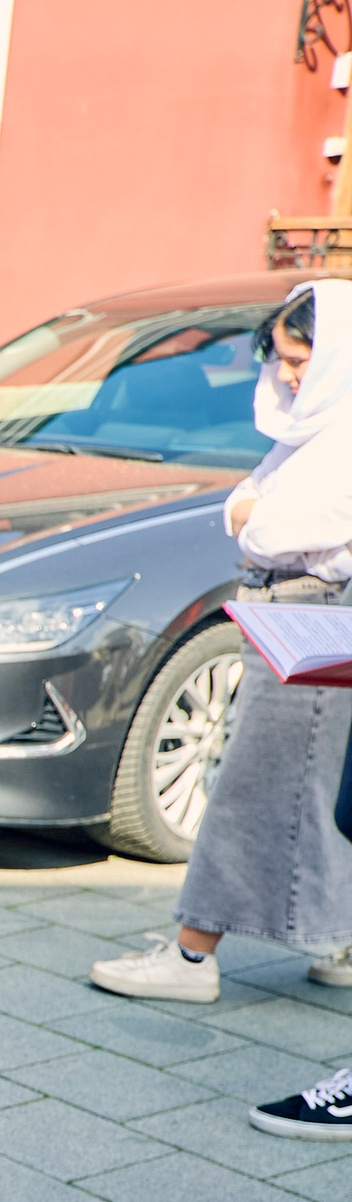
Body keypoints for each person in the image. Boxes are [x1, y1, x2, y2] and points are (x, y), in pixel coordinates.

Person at [91, 286, 352, 1025]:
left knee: (253, 785)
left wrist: (254, 518)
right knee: (312, 789)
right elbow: (249, 506)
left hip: (307, 613)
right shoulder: (321, 425)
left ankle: (191, 955)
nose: (289, 374)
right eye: (283, 359)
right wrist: (255, 516)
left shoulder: (344, 433)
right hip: (294, 610)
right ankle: (334, 942)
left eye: (301, 359)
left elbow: (267, 526)